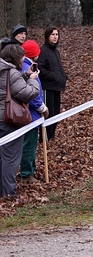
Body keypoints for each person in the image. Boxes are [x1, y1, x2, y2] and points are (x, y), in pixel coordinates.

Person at [0, 44, 40, 199]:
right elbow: (30, 93)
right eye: (22, 57)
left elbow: (9, 86)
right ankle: (8, 193)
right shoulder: (11, 73)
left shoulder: (6, 72)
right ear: (16, 58)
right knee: (10, 158)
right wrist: (32, 80)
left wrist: (24, 75)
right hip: (8, 120)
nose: (25, 59)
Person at [19, 40, 49, 183]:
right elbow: (31, 92)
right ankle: (27, 173)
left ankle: (30, 170)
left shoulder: (24, 66)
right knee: (29, 144)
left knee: (29, 144)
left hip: (28, 113)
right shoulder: (28, 68)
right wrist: (42, 107)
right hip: (30, 114)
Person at [37, 26, 67, 141]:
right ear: (47, 36)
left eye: (57, 34)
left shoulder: (56, 51)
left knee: (56, 114)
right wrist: (54, 76)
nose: (55, 37)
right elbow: (41, 69)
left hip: (56, 87)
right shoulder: (43, 51)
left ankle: (51, 136)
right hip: (47, 87)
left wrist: (63, 77)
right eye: (53, 34)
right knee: (48, 113)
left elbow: (57, 68)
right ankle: (45, 138)